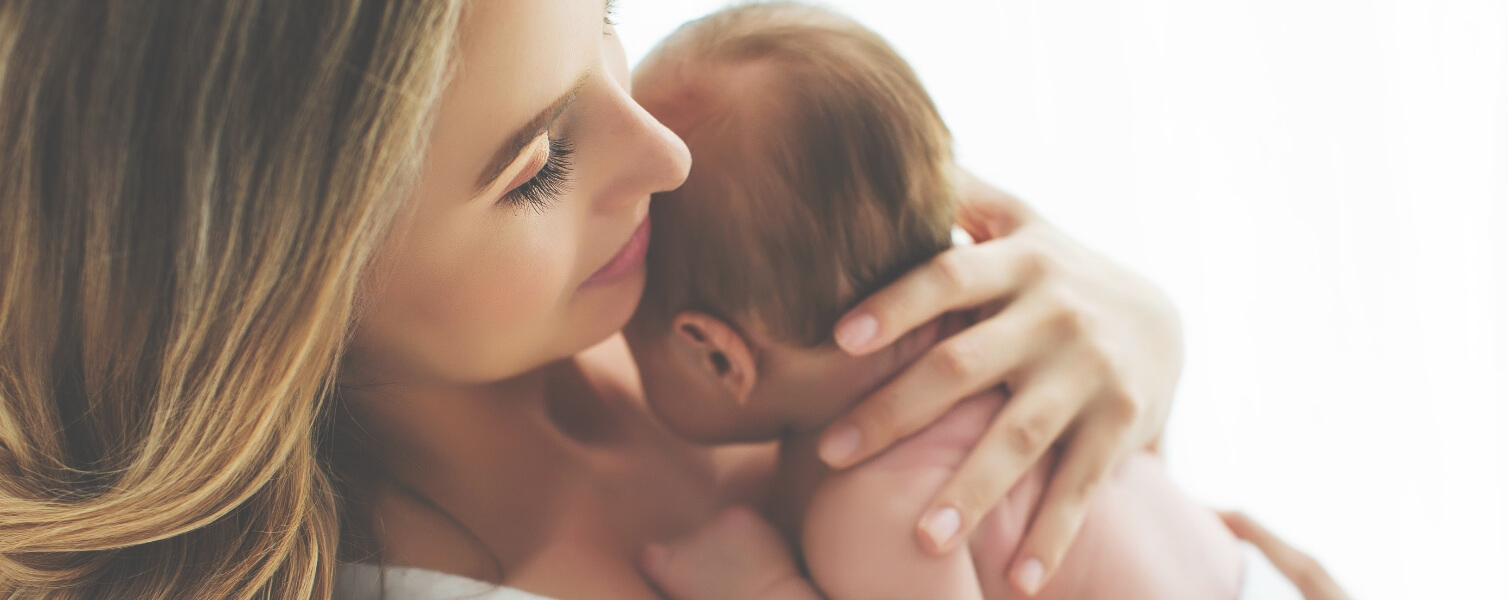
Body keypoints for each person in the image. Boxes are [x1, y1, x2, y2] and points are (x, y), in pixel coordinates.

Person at [0, 1, 1191, 598]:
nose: (666, 156)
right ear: (275, 296)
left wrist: (1136, 338)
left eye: (607, 25)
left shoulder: (681, 233)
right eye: (537, 167)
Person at [621, 4, 1243, 599]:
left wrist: (757, 588)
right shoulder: (1020, 332)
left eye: (628, 315)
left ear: (717, 356)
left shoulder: (873, 515)